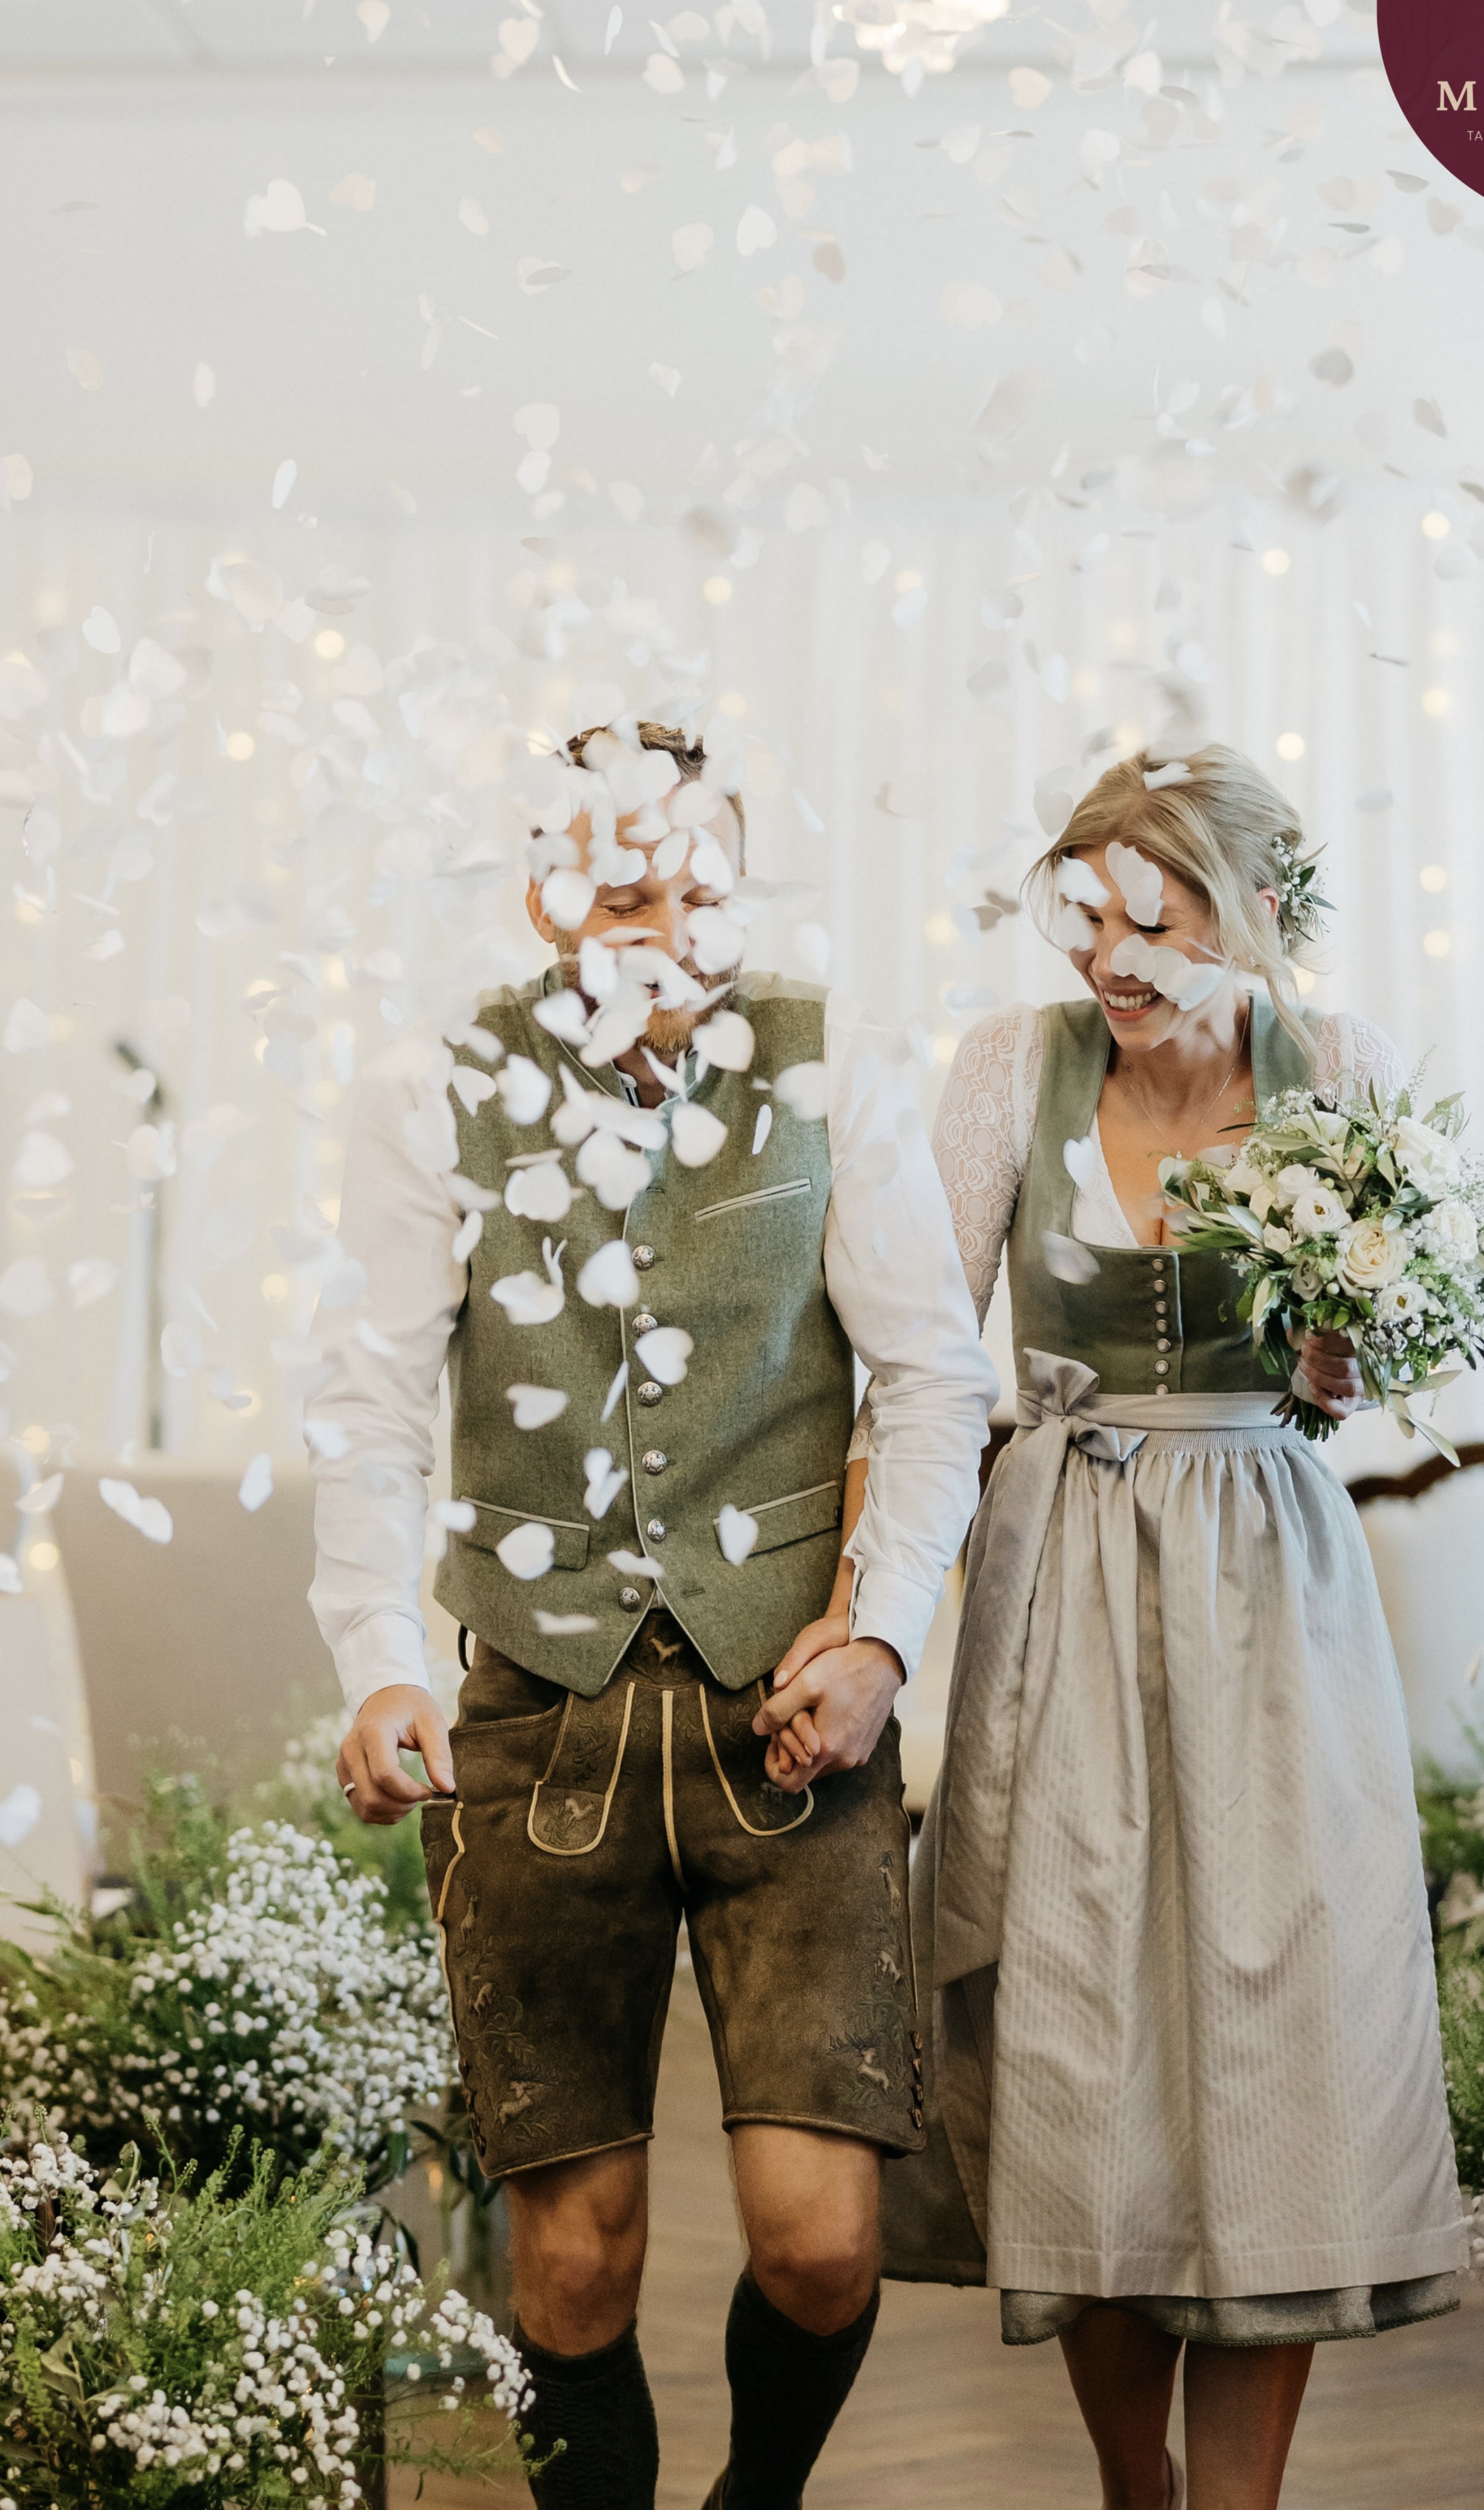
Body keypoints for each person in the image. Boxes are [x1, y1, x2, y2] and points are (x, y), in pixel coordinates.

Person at [308, 720, 996, 2510]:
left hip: (795, 1705)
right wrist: (380, 1653)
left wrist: (879, 1641)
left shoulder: (834, 1065)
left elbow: (932, 1383)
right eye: (627, 888)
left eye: (704, 884)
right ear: (551, 895)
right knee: (575, 2261)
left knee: (821, 2243)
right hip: (537, 1713)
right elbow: (371, 1397)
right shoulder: (430, 1087)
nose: (670, 922)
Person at [883, 744, 1464, 2510]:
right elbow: (912, 1358)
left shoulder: (1340, 1071)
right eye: (1088, 907)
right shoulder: (1007, 1069)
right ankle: (1135, 2485)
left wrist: (1348, 1331)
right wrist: (871, 1613)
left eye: (1161, 912)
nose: (1114, 956)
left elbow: (1369, 1378)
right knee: (1075, 2030)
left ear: (1258, 918)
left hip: (1270, 1590)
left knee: (1272, 2013)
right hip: (1057, 1583)